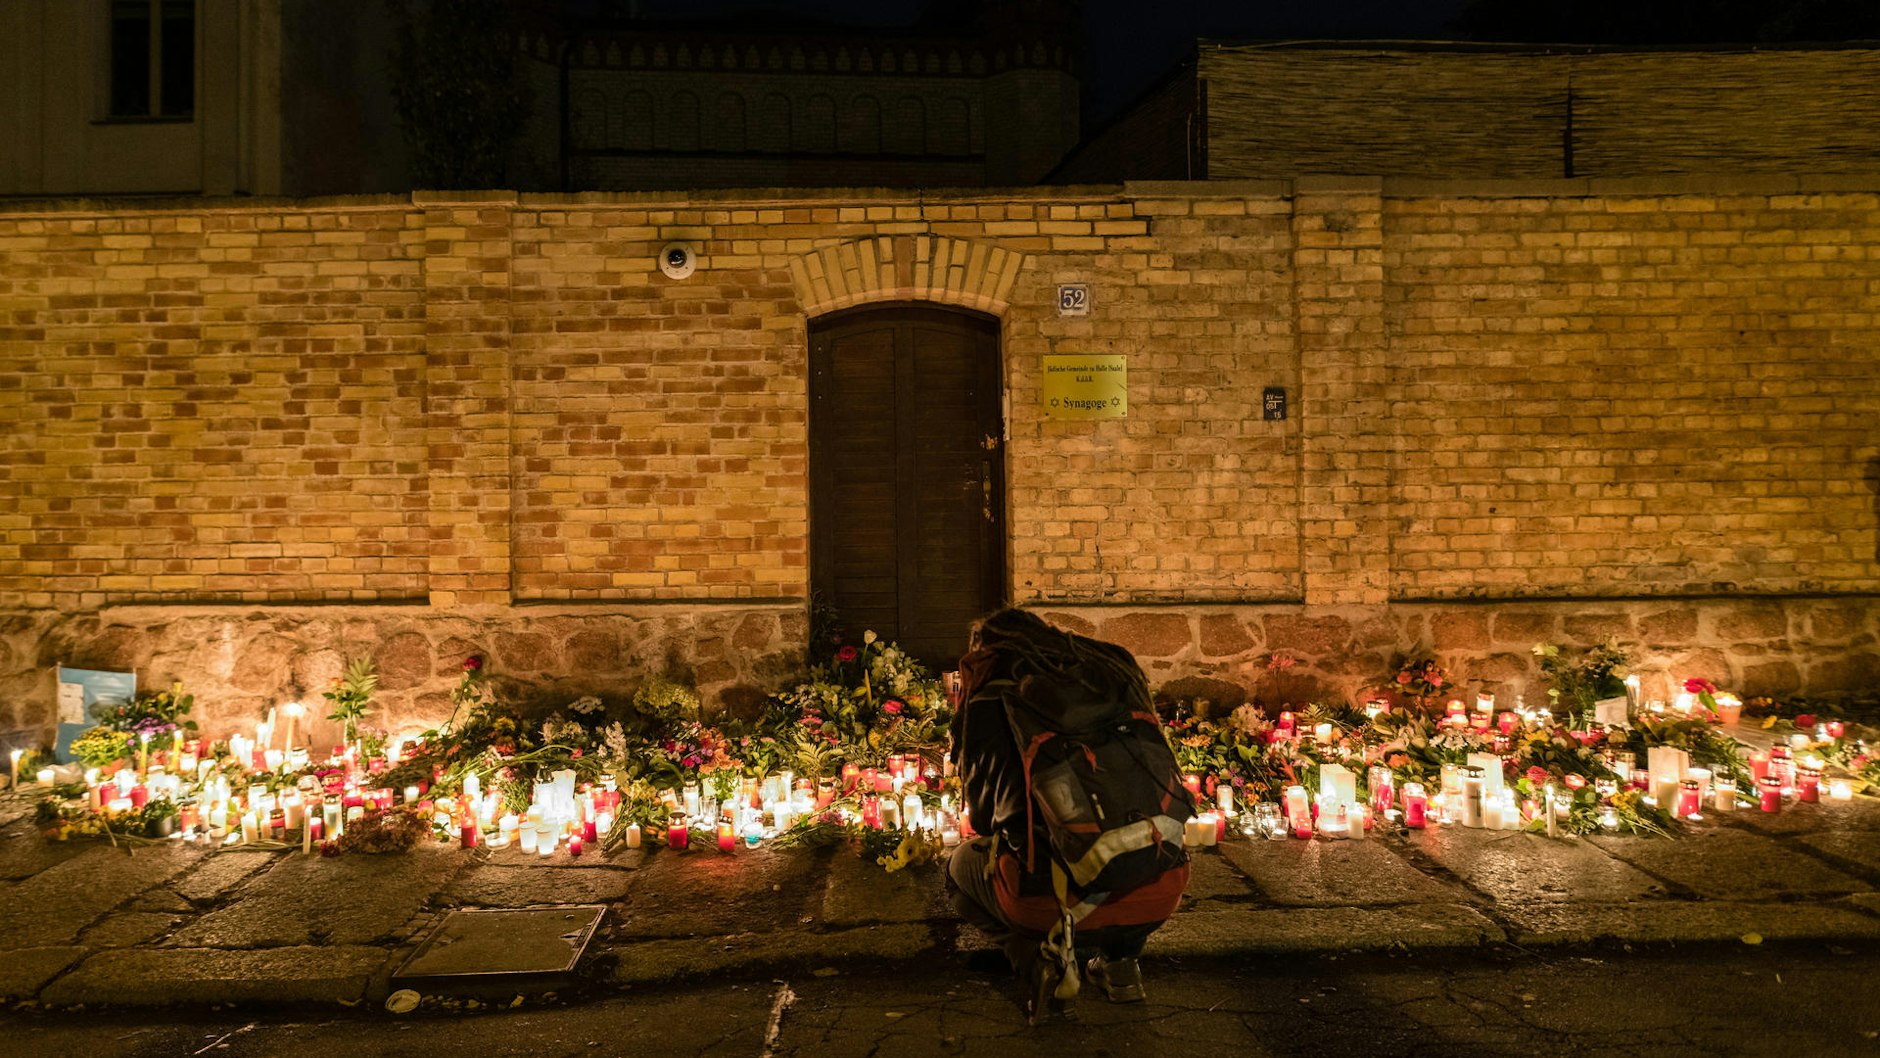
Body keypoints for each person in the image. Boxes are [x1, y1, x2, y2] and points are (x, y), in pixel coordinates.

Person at [945, 608, 1190, 1022]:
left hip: (1048, 901)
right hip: (1160, 887)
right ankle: (1122, 966)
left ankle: (1040, 962)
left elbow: (986, 821)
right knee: (1122, 842)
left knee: (957, 871)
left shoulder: (994, 698)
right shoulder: (1109, 673)